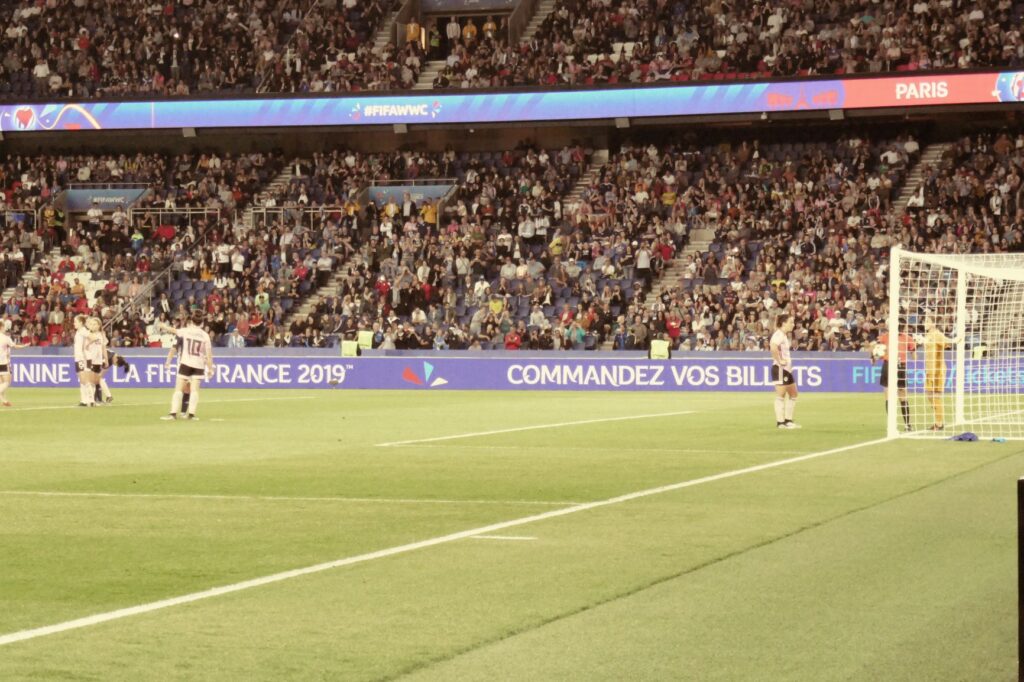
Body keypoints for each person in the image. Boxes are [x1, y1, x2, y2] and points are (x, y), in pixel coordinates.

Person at [159, 310, 214, 421]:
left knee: (179, 389)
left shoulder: (186, 331)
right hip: (198, 365)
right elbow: (209, 355)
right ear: (202, 323)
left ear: (192, 322)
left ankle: (173, 414)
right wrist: (210, 368)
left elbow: (173, 330)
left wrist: (163, 326)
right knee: (194, 390)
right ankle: (191, 415)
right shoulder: (205, 336)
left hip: (186, 363)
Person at [874, 322, 916, 431]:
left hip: (889, 365)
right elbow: (914, 356)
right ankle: (907, 425)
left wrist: (873, 358)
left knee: (889, 395)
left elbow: (876, 351)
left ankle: (892, 425)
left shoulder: (885, 337)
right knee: (902, 395)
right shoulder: (908, 338)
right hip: (900, 366)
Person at [922, 315, 956, 431]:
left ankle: (939, 423)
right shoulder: (928, 335)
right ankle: (938, 420)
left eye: (927, 321)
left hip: (938, 370)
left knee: (935, 396)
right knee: (929, 395)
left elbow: (948, 342)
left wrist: (955, 339)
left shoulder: (937, 334)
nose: (924, 323)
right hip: (929, 370)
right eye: (924, 321)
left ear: (933, 323)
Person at [770, 313, 800, 429]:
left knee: (793, 394)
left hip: (787, 369)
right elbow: (773, 347)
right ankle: (780, 422)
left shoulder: (783, 335)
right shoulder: (779, 335)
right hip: (780, 369)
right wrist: (779, 360)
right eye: (790, 322)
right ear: (783, 323)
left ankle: (788, 420)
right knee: (780, 395)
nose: (793, 325)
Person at [0, 328, 30, 406]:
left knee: (1, 383)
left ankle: (4, 401)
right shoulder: (5, 338)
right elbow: (15, 346)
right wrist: (24, 346)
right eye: (3, 327)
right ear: (1, 327)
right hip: (4, 363)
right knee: (7, 382)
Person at [165, 331, 192, 415]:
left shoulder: (195, 335)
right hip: (183, 364)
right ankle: (173, 412)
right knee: (182, 388)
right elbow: (173, 349)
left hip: (192, 364)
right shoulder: (180, 335)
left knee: (187, 388)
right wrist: (168, 361)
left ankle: (182, 413)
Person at [82, 317, 108, 405]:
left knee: (95, 381)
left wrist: (106, 359)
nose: (93, 326)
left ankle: (92, 399)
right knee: (89, 380)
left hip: (98, 361)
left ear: (99, 325)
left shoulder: (101, 335)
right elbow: (85, 346)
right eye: (92, 324)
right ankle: (90, 399)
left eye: (95, 324)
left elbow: (103, 348)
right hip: (90, 360)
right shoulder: (88, 334)